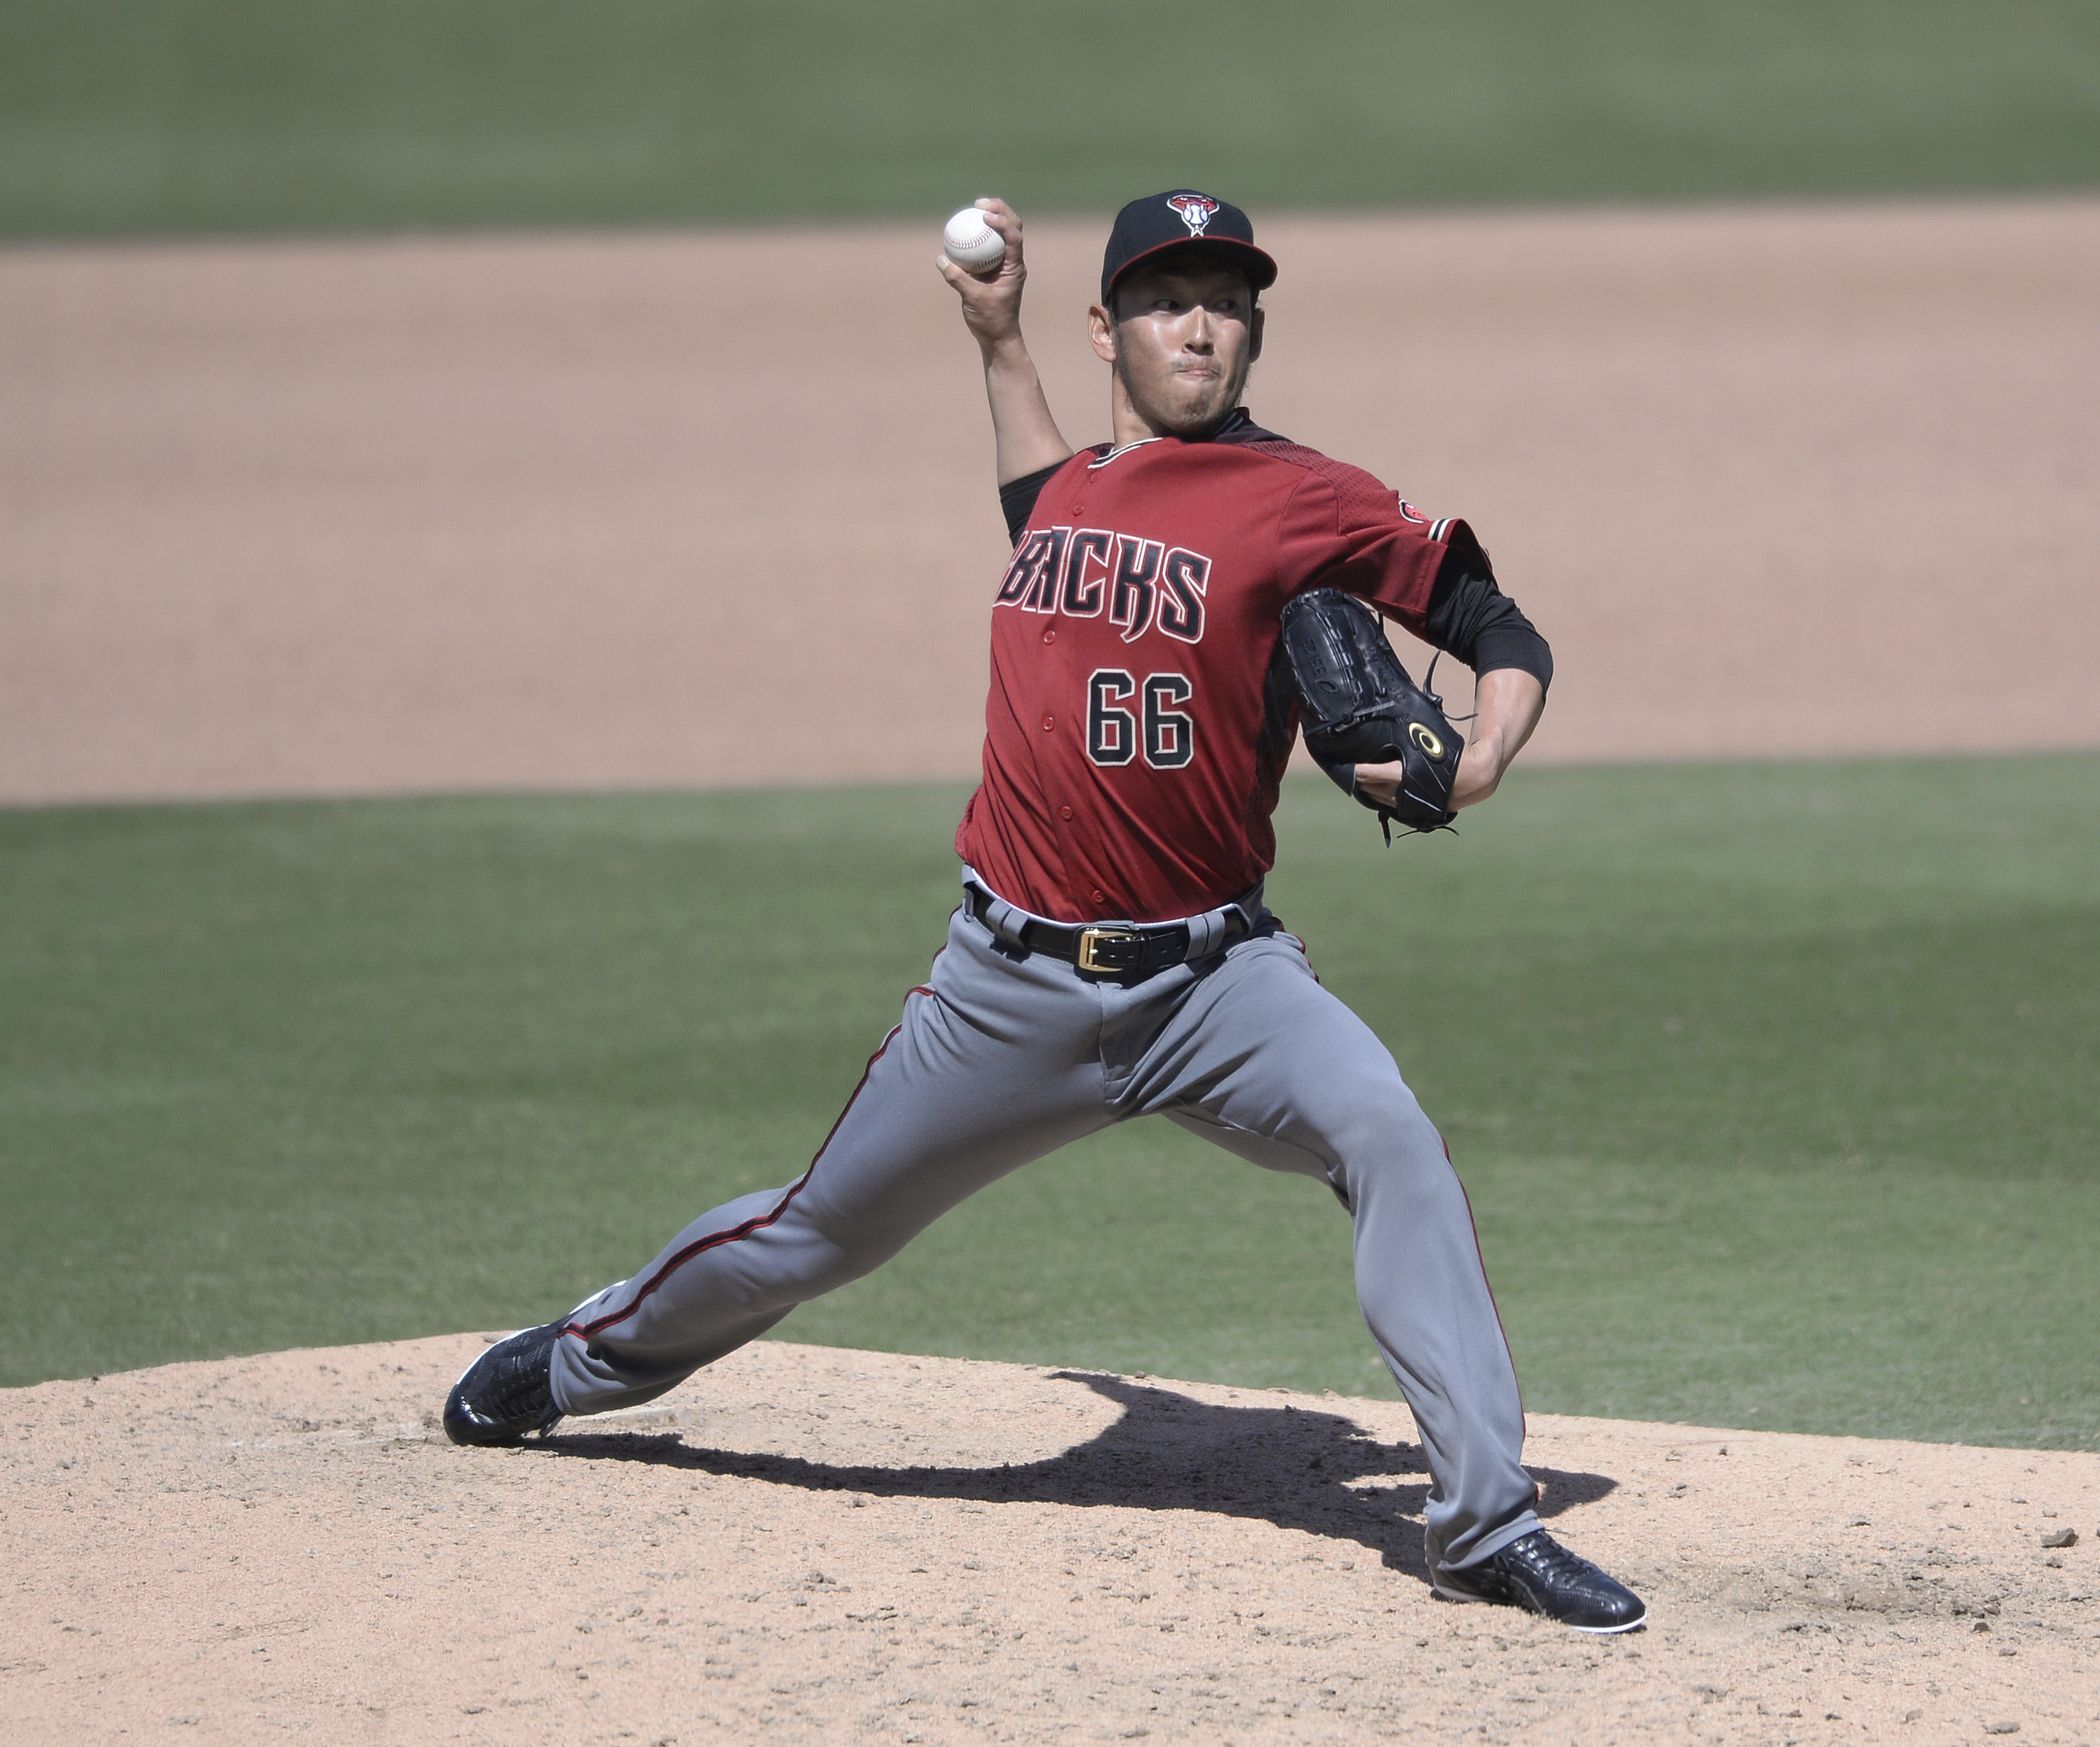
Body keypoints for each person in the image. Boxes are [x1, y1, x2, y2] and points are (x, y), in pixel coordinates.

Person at [442, 190, 1645, 1633]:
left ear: (1254, 328)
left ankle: (1479, 1522)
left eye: (1223, 297)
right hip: (1003, 992)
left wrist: (1490, 752)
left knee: (1388, 1134)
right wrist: (994, 338)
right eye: (1161, 298)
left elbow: (1496, 628)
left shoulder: (1307, 498)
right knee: (813, 1234)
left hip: (1215, 987)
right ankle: (583, 1359)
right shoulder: (1068, 490)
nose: (1196, 323)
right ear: (1106, 330)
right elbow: (1038, 495)